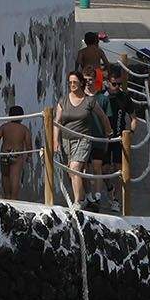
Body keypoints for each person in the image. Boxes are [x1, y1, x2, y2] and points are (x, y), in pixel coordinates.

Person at [58, 71, 101, 205]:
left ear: (81, 83)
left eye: (75, 82)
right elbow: (56, 122)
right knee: (71, 173)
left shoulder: (89, 100)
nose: (72, 85)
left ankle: (78, 202)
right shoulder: (63, 101)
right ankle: (86, 197)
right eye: (70, 82)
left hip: (83, 139)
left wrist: (109, 132)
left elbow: (103, 117)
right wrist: (55, 142)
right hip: (66, 140)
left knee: (75, 168)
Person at [0, 104, 34, 200]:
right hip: (17, 154)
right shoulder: (24, 129)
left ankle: (7, 195)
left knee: (5, 176)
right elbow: (29, 145)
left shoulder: (4, 127)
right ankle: (14, 197)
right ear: (22, 117)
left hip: (4, 153)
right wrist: (29, 155)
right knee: (15, 177)